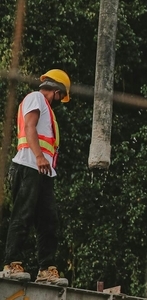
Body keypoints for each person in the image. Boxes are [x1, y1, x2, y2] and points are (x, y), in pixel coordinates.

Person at [1, 70, 71, 286]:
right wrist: (40, 156)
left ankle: (46, 269)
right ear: (57, 91)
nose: (60, 101)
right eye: (61, 96)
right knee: (23, 215)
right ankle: (11, 264)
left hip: (43, 171)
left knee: (48, 221)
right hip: (29, 166)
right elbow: (30, 126)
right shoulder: (36, 98)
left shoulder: (48, 110)